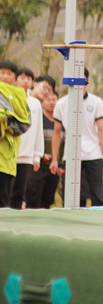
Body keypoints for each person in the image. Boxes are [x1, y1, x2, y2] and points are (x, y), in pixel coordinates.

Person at [49, 67, 103, 207]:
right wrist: (55, 159)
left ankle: (98, 225)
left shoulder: (96, 102)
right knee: (72, 198)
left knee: (97, 196)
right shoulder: (61, 104)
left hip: (93, 155)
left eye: (82, 80)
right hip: (71, 155)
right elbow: (57, 132)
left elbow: (102, 130)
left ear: (86, 82)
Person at [10, 67, 44, 209]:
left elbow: (38, 130)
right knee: (7, 190)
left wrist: (37, 155)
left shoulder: (35, 104)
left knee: (19, 192)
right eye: (22, 78)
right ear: (16, 80)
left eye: (28, 79)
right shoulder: (9, 98)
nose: (25, 81)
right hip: (9, 154)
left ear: (32, 82)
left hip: (27, 155)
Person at [0, 60, 31, 207]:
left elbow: (25, 123)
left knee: (4, 198)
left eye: (9, 73)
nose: (5, 76)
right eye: (2, 72)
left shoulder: (19, 96)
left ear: (14, 77)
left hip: (7, 155)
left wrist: (6, 125)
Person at [26, 81, 59, 209]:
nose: (51, 102)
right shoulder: (38, 116)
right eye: (48, 99)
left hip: (53, 167)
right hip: (37, 164)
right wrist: (39, 155)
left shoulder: (60, 122)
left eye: (54, 99)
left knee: (47, 200)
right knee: (33, 198)